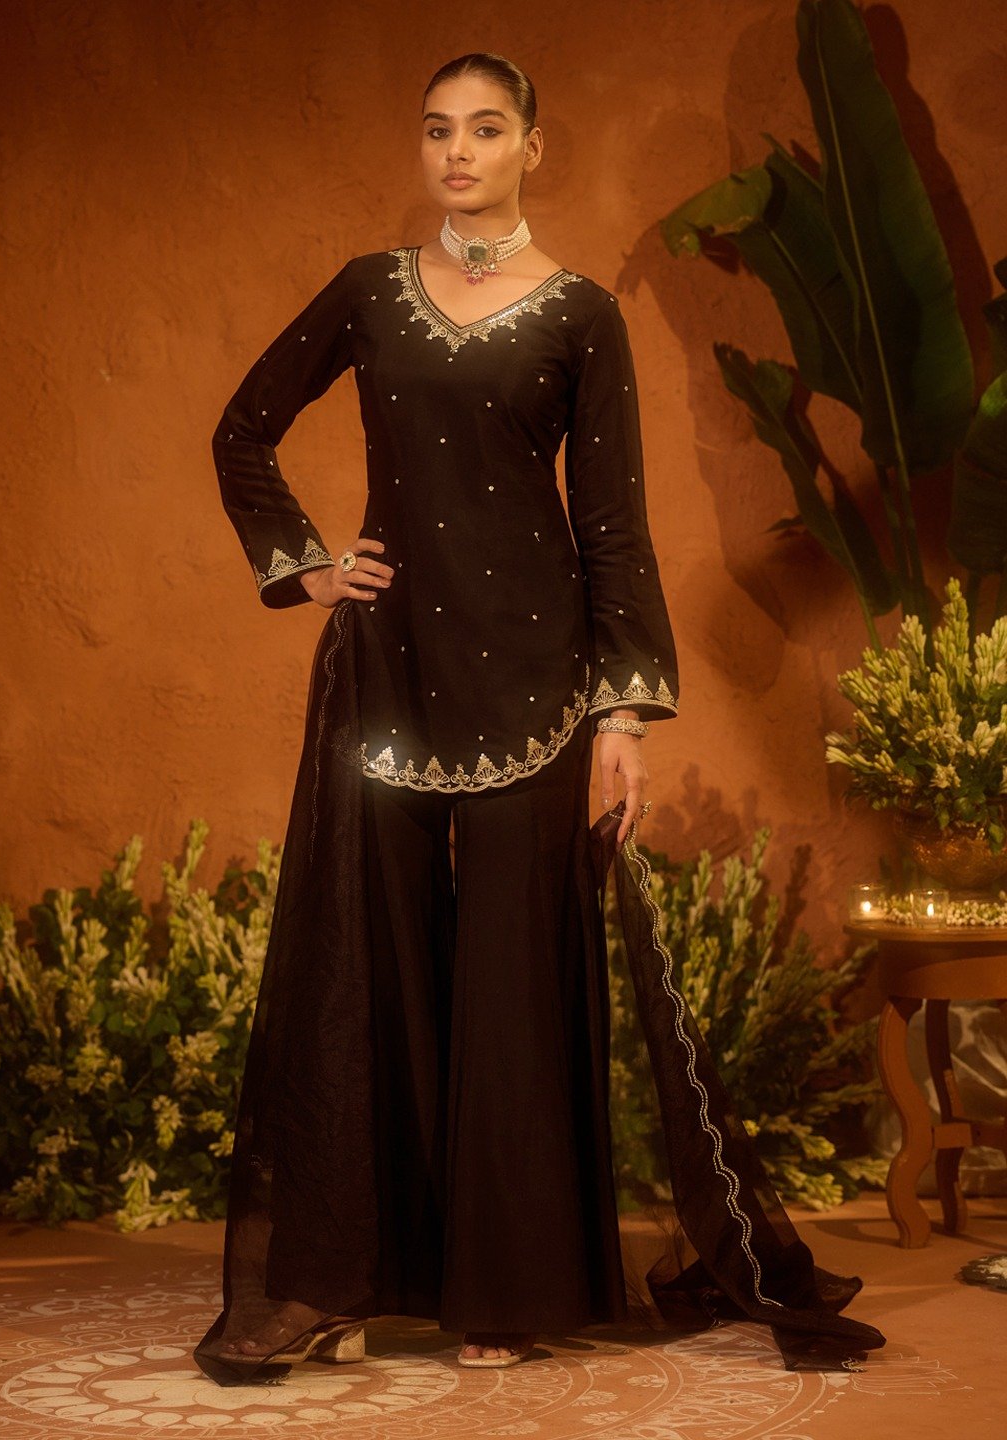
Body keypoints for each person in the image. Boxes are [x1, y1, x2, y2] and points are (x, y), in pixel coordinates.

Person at [193, 51, 887, 1388]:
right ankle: (350, 1275)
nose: (458, 151)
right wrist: (308, 566)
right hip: (390, 674)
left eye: (486, 127)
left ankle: (503, 1286)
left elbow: (613, 526)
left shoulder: (580, 316)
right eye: (437, 129)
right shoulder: (369, 291)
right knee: (375, 972)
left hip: (539, 684)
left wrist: (622, 717)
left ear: (532, 146)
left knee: (513, 989)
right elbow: (243, 429)